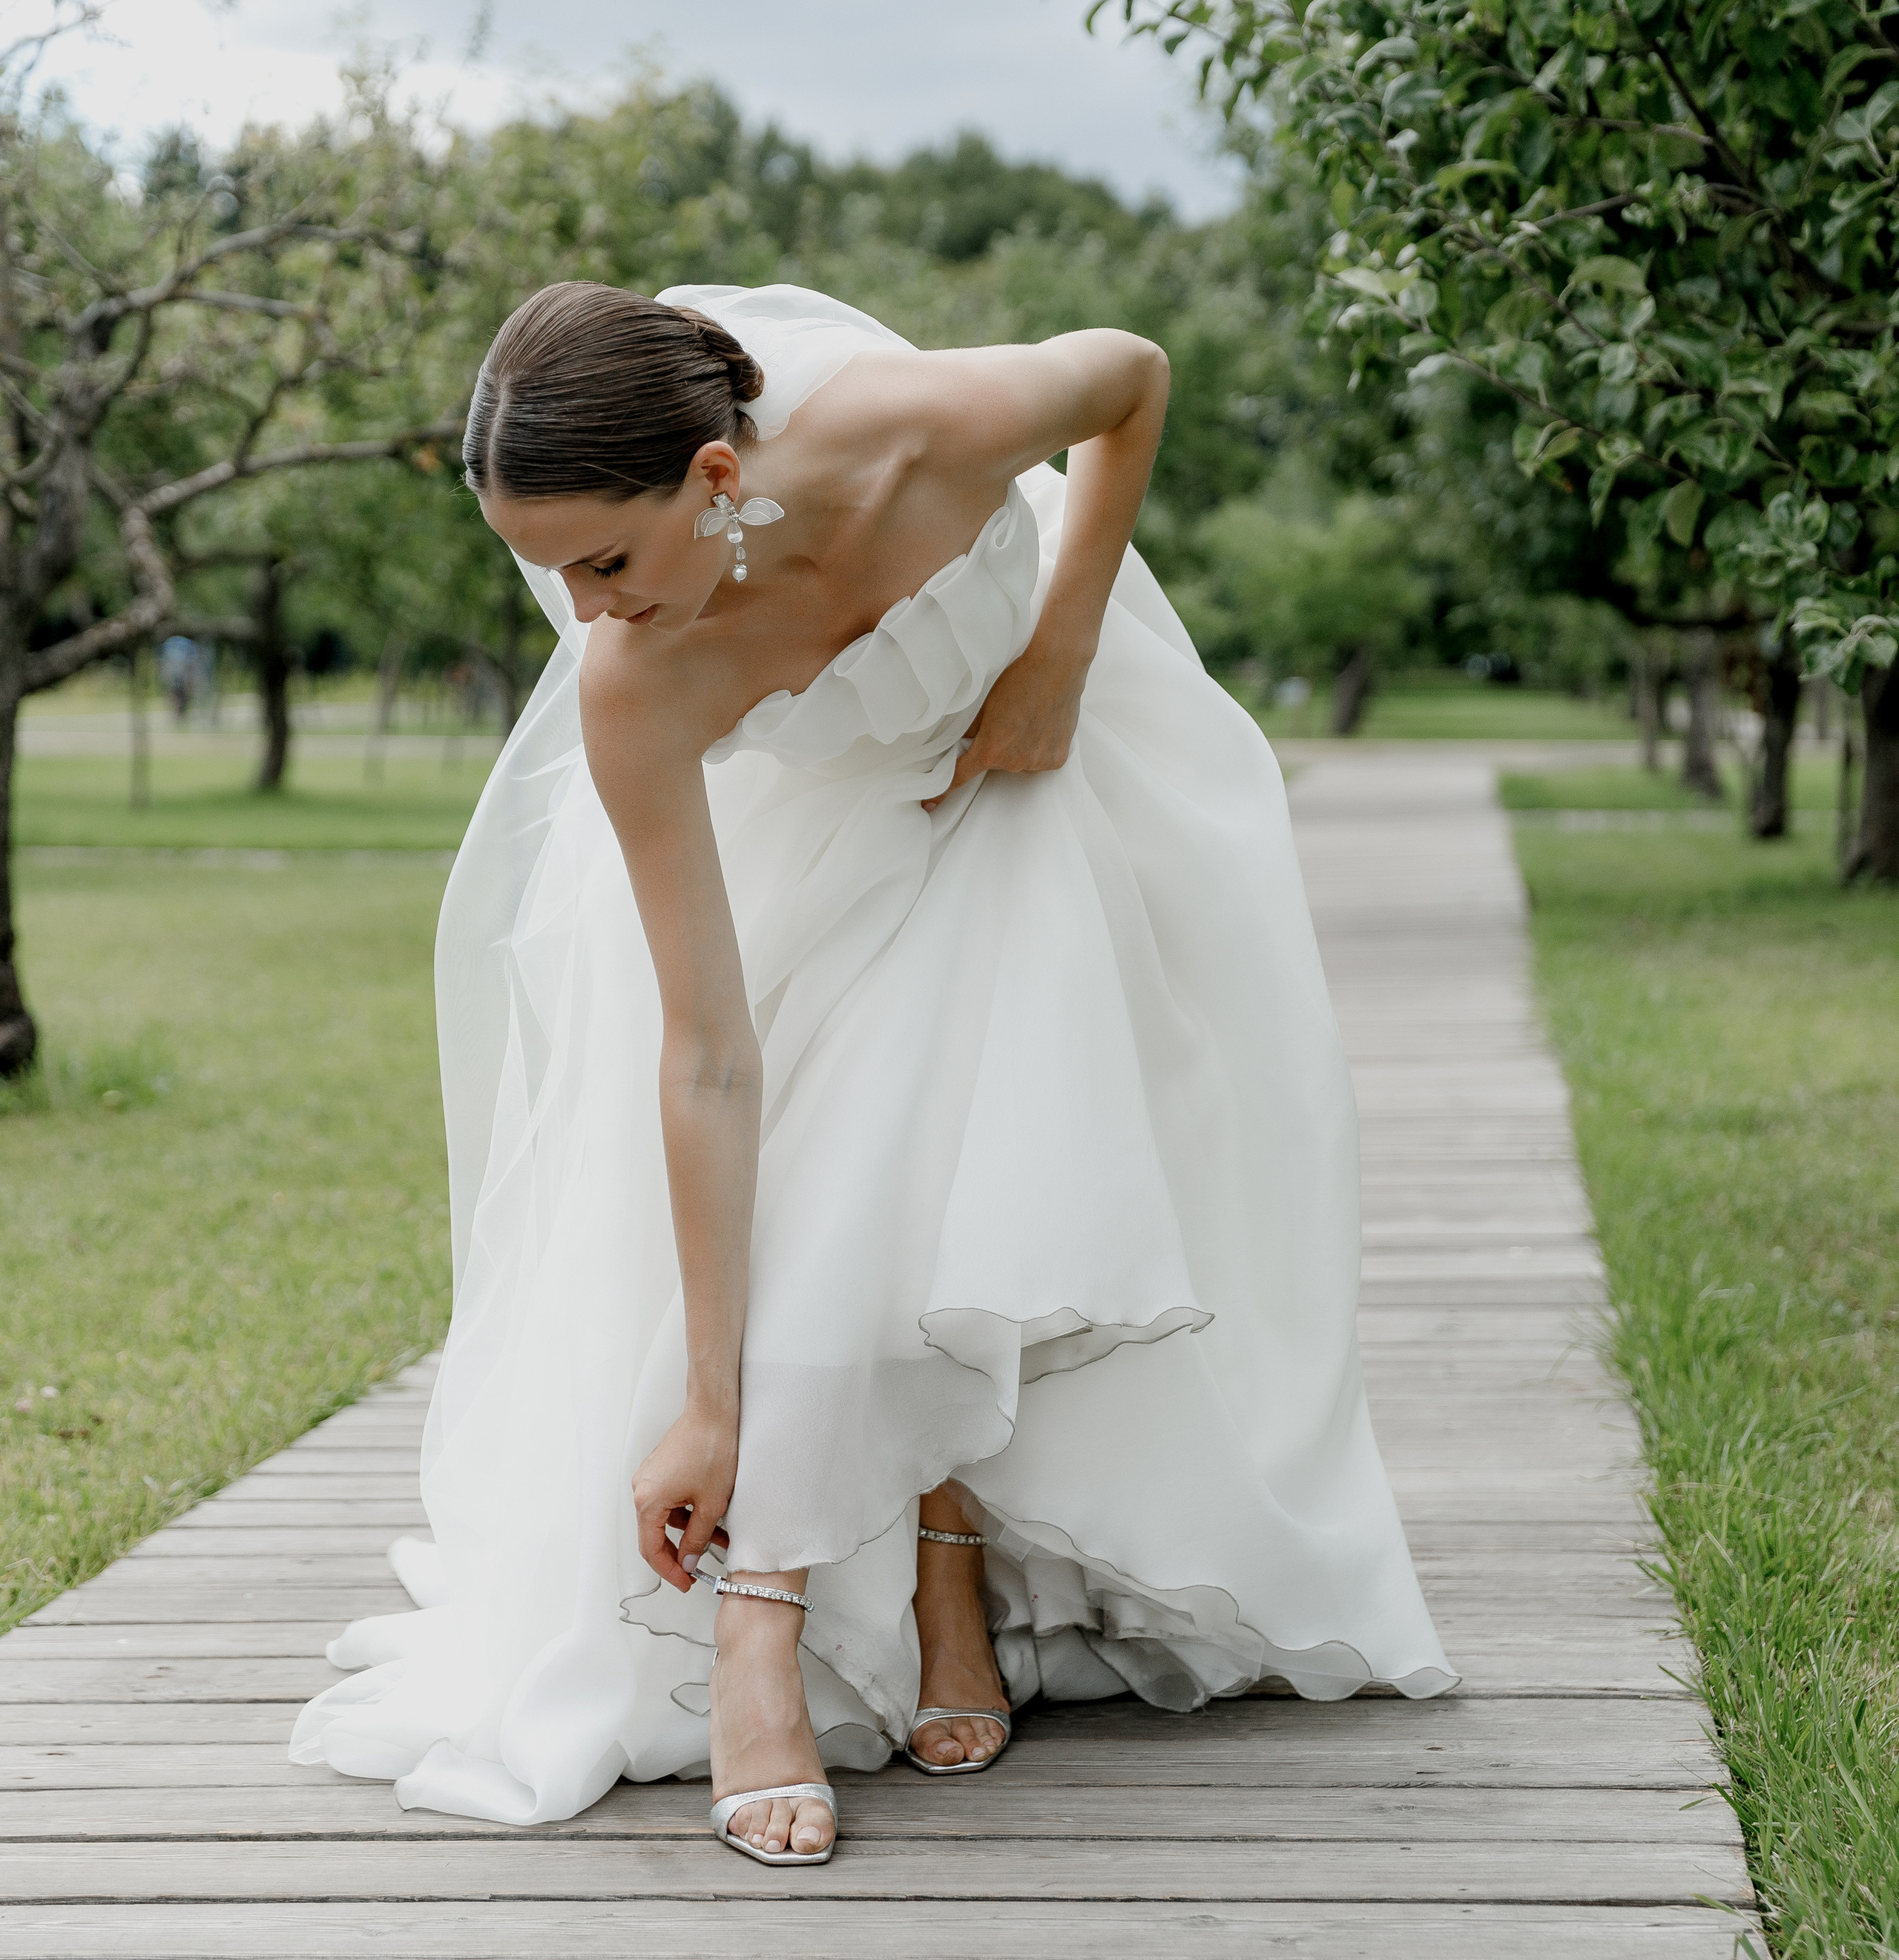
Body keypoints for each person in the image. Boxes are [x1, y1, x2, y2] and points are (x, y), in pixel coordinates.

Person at [292, 279, 1452, 1858]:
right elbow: (704, 1060)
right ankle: (833, 1585)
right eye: (545, 576)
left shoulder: (918, 432)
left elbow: (1128, 376)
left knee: (960, 1116)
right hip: (829, 846)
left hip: (1033, 765)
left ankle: (866, 1583)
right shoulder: (639, 681)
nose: (582, 620)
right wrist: (706, 1405)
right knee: (842, 1145)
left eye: (606, 562)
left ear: (714, 482)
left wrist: (1058, 647)